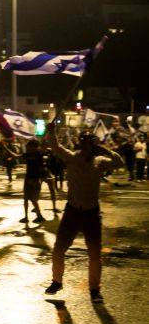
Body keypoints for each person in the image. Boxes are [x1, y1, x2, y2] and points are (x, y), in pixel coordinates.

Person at [45, 124, 124, 303]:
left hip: (91, 213)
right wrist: (51, 131)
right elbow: (55, 147)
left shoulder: (100, 161)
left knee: (94, 254)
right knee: (58, 249)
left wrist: (105, 150)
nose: (86, 146)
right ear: (80, 144)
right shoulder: (72, 158)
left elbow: (119, 162)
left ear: (94, 145)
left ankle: (94, 290)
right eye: (84, 142)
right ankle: (57, 281)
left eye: (90, 143)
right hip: (72, 211)